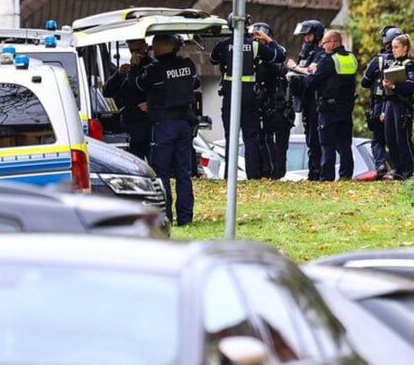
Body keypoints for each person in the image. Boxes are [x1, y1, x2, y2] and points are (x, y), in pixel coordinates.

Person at [210, 14, 285, 180]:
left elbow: (213, 59)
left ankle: (230, 177)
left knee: (231, 137)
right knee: (251, 137)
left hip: (230, 96)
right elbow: (280, 56)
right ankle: (252, 176)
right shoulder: (255, 46)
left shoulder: (223, 45)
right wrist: (268, 40)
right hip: (250, 95)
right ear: (247, 26)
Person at [137, 33, 200, 225]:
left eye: (155, 45)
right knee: (183, 172)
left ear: (163, 46)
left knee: (161, 172)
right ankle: (185, 217)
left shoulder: (155, 69)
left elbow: (141, 84)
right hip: (184, 124)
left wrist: (139, 65)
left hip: (164, 125)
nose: (153, 49)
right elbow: (194, 84)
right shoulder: (187, 65)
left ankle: (165, 217)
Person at [303, 30, 358, 181]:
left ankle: (326, 177)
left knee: (327, 144)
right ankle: (346, 176)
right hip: (346, 108)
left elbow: (312, 82)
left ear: (333, 43)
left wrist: (309, 73)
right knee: (345, 145)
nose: (323, 46)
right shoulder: (351, 58)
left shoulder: (328, 61)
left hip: (329, 109)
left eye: (325, 43)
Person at [286, 19, 327, 180]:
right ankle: (313, 173)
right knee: (311, 141)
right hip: (306, 100)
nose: (306, 39)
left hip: (316, 102)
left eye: (308, 35)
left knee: (317, 140)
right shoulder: (305, 52)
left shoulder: (321, 53)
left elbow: (312, 72)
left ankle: (318, 173)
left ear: (316, 35)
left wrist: (295, 67)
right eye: (304, 35)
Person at [252, 22, 294, 179]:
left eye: (261, 39)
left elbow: (281, 57)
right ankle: (265, 171)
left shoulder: (272, 58)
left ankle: (276, 174)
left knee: (279, 144)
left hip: (277, 107)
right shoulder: (252, 55)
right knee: (261, 141)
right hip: (259, 105)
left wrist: (268, 41)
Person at [360, 25, 402, 177]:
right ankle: (399, 168)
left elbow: (364, 82)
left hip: (379, 102)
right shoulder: (405, 61)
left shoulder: (378, 60)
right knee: (396, 138)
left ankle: (380, 165)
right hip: (399, 103)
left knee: (377, 139)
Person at [102, 38, 153, 161]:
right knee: (134, 163)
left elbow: (161, 90)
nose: (135, 54)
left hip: (149, 123)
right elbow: (107, 91)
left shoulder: (153, 66)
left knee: (154, 163)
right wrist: (119, 74)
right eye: (132, 51)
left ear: (146, 47)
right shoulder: (127, 70)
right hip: (130, 123)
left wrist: (152, 103)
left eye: (138, 50)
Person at [380, 33, 414, 179]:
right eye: (392, 47)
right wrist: (384, 110)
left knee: (402, 139)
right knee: (390, 138)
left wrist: (394, 86)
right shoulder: (394, 64)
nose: (393, 50)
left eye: (396, 47)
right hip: (390, 104)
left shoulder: (409, 65)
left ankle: (409, 171)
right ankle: (397, 170)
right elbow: (387, 92)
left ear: (405, 48)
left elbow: (410, 86)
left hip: (402, 105)